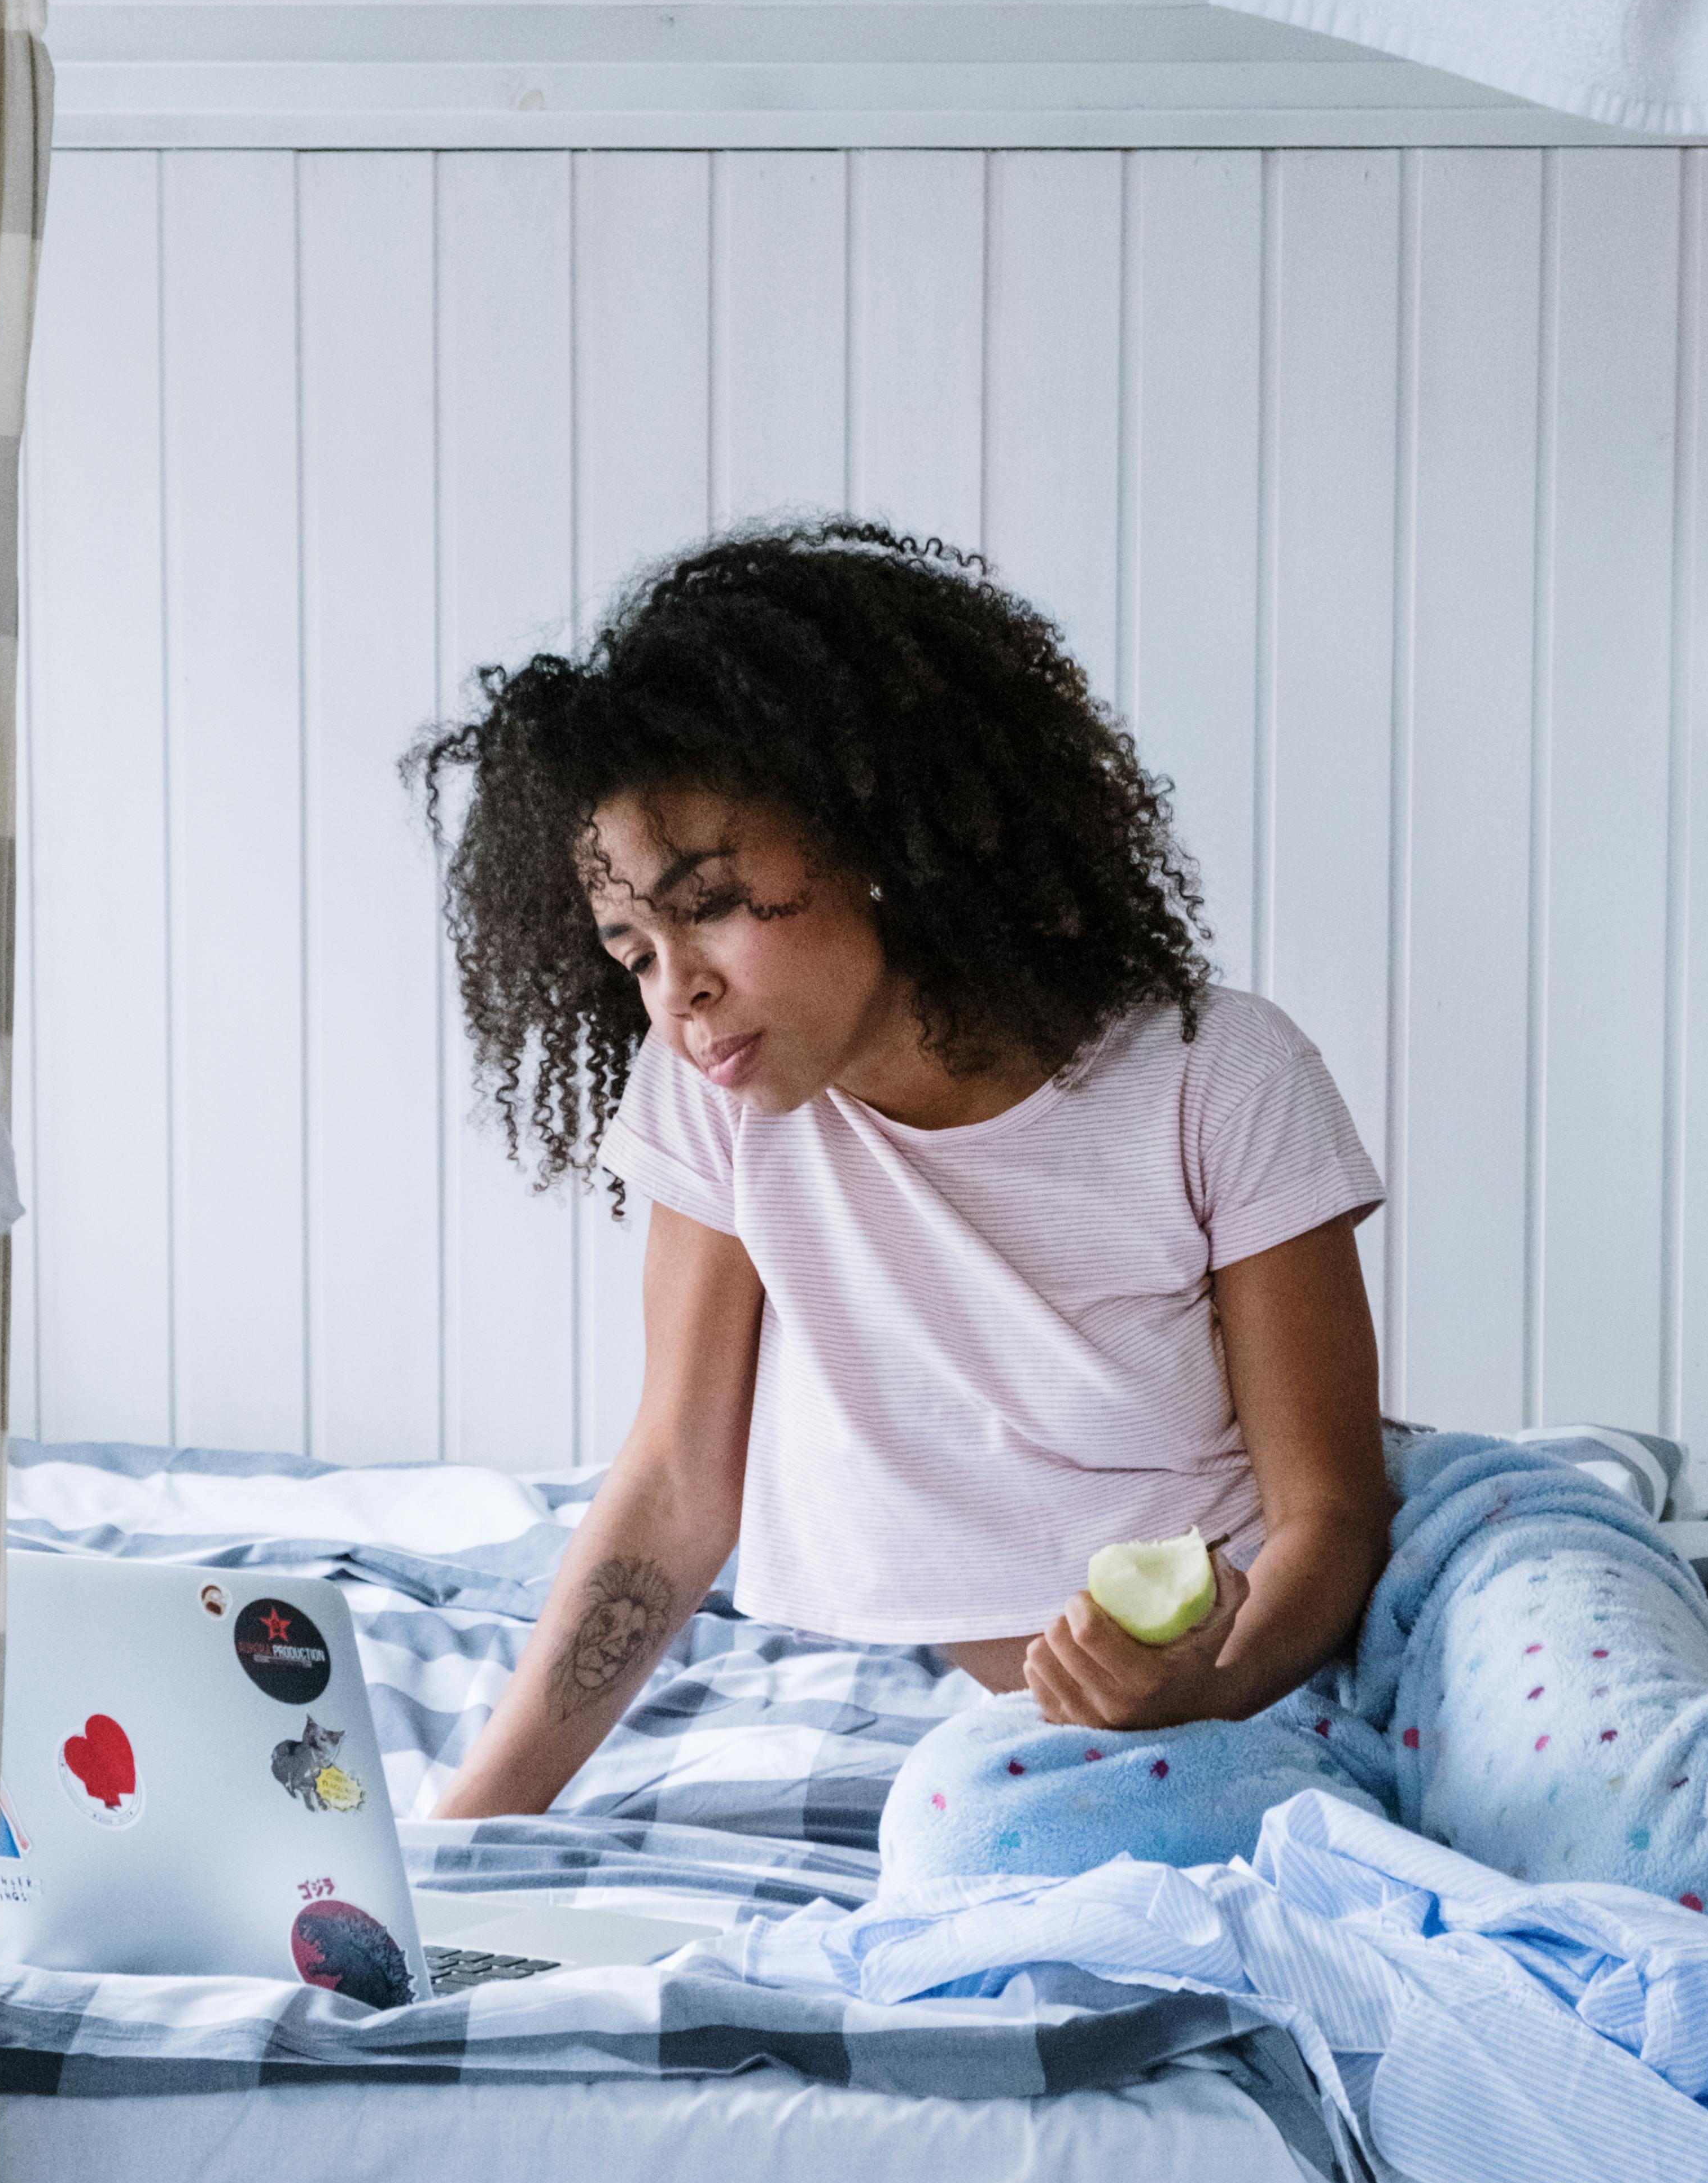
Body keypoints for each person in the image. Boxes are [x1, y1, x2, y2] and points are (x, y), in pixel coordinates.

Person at [415, 518, 1393, 1821]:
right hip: (1039, 1734)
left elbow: (1329, 1511)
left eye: (708, 902)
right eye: (633, 948)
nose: (679, 989)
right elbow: (671, 1486)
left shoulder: (1220, 1072)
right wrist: (473, 1821)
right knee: (976, 1828)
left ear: (877, 839)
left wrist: (1208, 1688)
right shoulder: (720, 1100)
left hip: (1291, 1647)